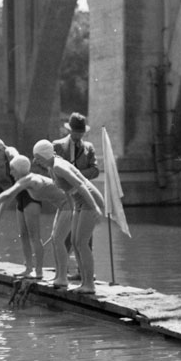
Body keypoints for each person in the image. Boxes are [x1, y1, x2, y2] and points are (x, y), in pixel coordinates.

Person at [0, 155, 73, 285]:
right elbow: (10, 195)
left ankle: (43, 272)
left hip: (69, 205)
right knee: (50, 239)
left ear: (19, 169)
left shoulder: (31, 180)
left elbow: (7, 194)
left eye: (12, 170)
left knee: (52, 239)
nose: (11, 173)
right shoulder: (25, 179)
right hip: (61, 206)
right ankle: (50, 274)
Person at [33, 140, 103, 294]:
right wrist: (73, 210)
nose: (35, 161)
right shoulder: (52, 167)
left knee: (82, 242)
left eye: (37, 157)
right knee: (74, 241)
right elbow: (67, 191)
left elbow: (80, 184)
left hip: (89, 199)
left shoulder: (58, 166)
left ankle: (89, 285)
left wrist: (95, 207)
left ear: (45, 155)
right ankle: (84, 283)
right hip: (78, 202)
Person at [0, 137, 42, 277]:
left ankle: (39, 271)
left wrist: (15, 159)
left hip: (30, 196)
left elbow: (15, 154)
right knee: (23, 234)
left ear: (1, 149)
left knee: (34, 235)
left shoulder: (10, 152)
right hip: (20, 198)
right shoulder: (6, 161)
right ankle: (28, 268)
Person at [53, 112, 99, 281]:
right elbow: (49, 167)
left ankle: (84, 273)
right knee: (64, 235)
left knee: (85, 236)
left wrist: (75, 174)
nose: (79, 135)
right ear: (70, 130)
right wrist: (65, 177)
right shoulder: (57, 146)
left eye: (81, 132)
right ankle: (62, 272)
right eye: (76, 132)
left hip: (83, 193)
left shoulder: (89, 147)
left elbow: (95, 170)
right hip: (66, 195)